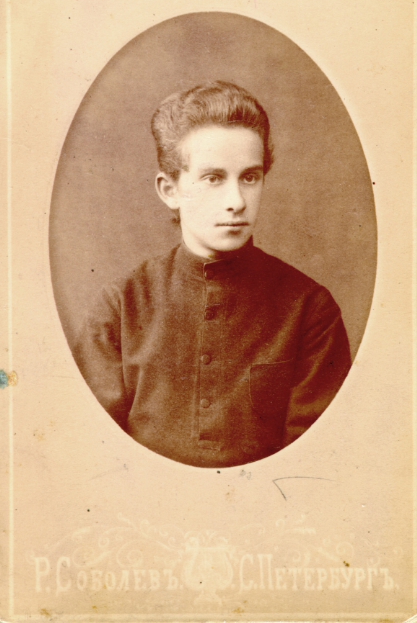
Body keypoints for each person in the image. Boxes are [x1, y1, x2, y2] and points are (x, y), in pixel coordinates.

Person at [73, 81, 351, 468]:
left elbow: (315, 465)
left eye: (250, 177)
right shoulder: (120, 307)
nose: (236, 201)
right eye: (213, 178)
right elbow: (90, 455)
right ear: (170, 190)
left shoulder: (310, 310)